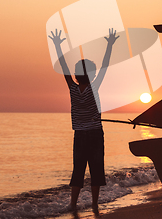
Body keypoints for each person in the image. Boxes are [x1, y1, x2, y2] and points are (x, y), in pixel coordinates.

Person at [48, 28, 119, 213]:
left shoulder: (72, 88)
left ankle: (73, 204)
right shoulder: (94, 88)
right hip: (95, 134)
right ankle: (94, 204)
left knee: (78, 169)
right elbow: (105, 65)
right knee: (96, 169)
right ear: (92, 75)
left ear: (77, 75)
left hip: (79, 135)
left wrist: (57, 45)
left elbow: (63, 67)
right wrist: (110, 45)